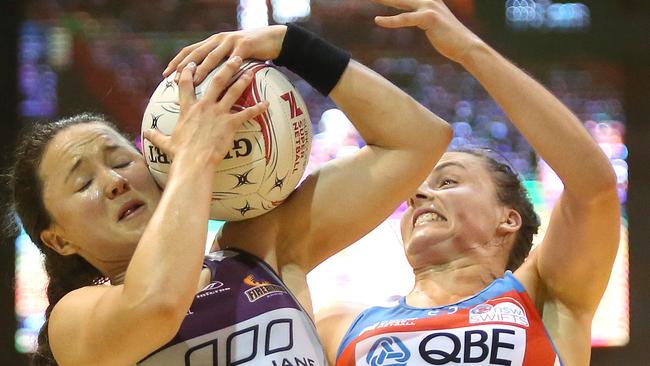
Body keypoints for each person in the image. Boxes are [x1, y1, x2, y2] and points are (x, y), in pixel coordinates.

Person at [11, 23, 452, 366]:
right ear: (59, 239)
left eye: (121, 159)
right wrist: (196, 159)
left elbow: (416, 141)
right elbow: (157, 303)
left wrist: (292, 45)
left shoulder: (258, 248)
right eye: (83, 182)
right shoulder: (74, 319)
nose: (113, 181)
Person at [315, 1, 621, 365]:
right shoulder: (339, 325)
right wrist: (296, 48)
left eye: (447, 181)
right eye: (416, 188)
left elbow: (593, 187)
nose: (418, 194)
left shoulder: (542, 299)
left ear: (507, 219)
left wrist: (468, 49)